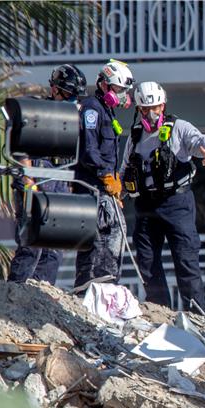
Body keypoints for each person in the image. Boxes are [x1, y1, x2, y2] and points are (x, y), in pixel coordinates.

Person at [121, 81, 205, 311]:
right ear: (138, 109)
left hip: (177, 203)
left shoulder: (179, 127)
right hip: (146, 205)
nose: (151, 113)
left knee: (185, 258)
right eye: (145, 109)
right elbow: (125, 169)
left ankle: (196, 314)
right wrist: (117, 191)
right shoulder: (135, 136)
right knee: (146, 258)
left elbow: (199, 142)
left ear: (163, 105)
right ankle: (160, 309)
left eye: (155, 107)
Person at [8, 64, 86, 285]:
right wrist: (28, 178)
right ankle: (17, 292)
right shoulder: (36, 110)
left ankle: (41, 295)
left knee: (53, 250)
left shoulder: (71, 119)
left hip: (58, 180)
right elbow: (20, 147)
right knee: (31, 246)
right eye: (70, 95)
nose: (73, 101)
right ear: (55, 90)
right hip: (34, 178)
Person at [73, 60, 134, 292]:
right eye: (119, 90)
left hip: (103, 185)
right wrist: (107, 176)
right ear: (105, 85)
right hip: (93, 185)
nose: (122, 96)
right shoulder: (91, 108)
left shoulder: (105, 110)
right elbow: (90, 150)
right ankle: (98, 285)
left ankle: (103, 285)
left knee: (110, 232)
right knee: (109, 233)